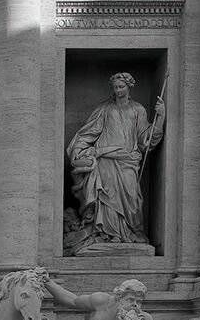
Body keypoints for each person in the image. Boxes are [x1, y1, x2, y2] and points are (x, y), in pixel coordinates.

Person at [66, 73, 166, 248]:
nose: (118, 90)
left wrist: (161, 117)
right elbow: (89, 132)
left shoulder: (138, 110)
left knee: (132, 200)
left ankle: (130, 233)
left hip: (128, 160)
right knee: (106, 197)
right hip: (106, 160)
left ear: (129, 87)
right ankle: (106, 234)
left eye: (122, 87)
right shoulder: (105, 109)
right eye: (116, 87)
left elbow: (146, 139)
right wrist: (77, 148)